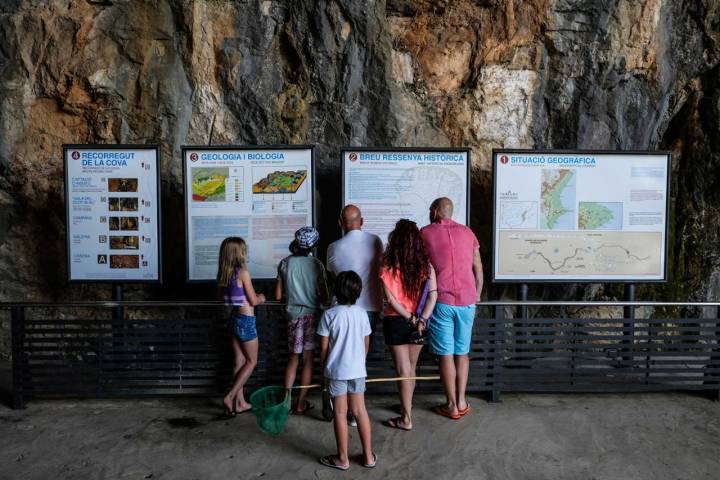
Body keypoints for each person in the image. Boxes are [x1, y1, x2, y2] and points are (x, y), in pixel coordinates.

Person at [420, 197, 483, 420]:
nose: (429, 212)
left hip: (443, 301)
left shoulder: (425, 233)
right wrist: (476, 294)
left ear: (436, 211)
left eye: (430, 209)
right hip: (467, 302)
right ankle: (462, 400)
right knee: (462, 352)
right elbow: (478, 267)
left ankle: (451, 405)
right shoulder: (468, 233)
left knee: (445, 354)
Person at [325, 204, 383, 422]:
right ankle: (355, 411)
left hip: (340, 311)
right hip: (369, 309)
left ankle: (340, 407)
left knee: (341, 359)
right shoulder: (376, 241)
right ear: (362, 221)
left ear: (340, 223)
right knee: (359, 361)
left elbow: (334, 278)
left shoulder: (333, 247)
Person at [380, 219, 437, 431]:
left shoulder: (388, 264)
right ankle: (407, 408)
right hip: (420, 323)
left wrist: (409, 318)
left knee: (403, 370)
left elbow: (391, 300)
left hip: (396, 320)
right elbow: (433, 295)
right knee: (410, 369)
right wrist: (421, 319)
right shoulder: (426, 265)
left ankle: (406, 418)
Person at [317, 271, 377, 470]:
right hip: (358, 370)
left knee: (341, 414)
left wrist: (323, 369)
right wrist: (359, 362)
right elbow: (366, 343)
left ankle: (343, 459)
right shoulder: (362, 314)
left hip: (336, 372)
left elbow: (324, 348)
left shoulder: (329, 315)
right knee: (360, 411)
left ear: (336, 291)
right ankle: (368, 456)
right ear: (358, 292)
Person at [275, 226, 328, 414]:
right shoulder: (317, 265)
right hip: (312, 317)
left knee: (293, 358)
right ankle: (300, 403)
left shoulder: (284, 263)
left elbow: (278, 295)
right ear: (313, 245)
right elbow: (324, 296)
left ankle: (286, 402)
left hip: (292, 317)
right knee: (308, 360)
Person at [217, 237, 266, 416]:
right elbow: (253, 300)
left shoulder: (224, 273)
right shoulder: (242, 273)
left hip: (234, 319)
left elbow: (222, 299)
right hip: (246, 320)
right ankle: (230, 397)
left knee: (239, 361)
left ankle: (240, 402)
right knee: (251, 362)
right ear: (239, 253)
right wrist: (262, 297)